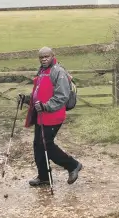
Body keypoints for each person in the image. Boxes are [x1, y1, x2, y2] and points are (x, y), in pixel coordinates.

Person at [18, 46, 83, 187]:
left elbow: (62, 96)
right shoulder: (42, 71)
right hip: (41, 114)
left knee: (46, 144)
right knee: (38, 146)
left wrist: (46, 106)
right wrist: (27, 99)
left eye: (47, 56)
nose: (44, 59)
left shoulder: (58, 72)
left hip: (53, 115)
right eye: (41, 57)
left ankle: (73, 165)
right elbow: (40, 93)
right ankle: (44, 177)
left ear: (53, 56)